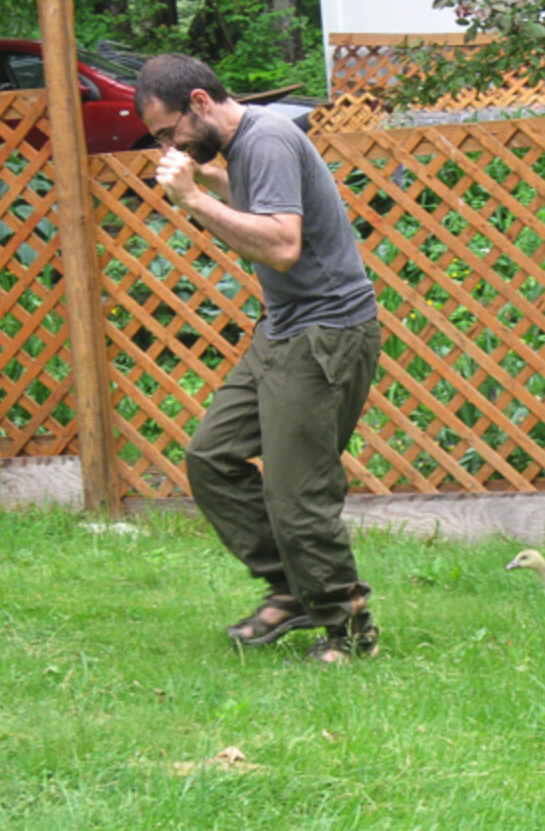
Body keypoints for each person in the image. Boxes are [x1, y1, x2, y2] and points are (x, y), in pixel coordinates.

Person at [134, 54, 381, 665]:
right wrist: (212, 181)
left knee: (298, 493)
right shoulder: (244, 146)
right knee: (212, 456)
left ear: (199, 101)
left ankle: (349, 628)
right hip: (284, 330)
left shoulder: (265, 139)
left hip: (326, 333)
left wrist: (193, 198)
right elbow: (260, 199)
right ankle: (294, 589)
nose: (170, 147)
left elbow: (282, 246)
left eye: (170, 132)